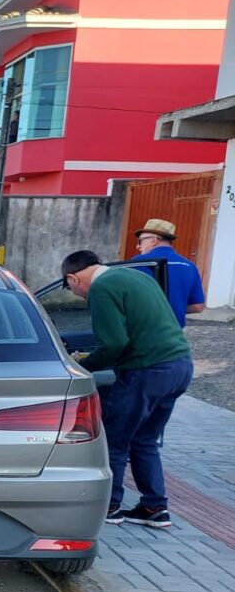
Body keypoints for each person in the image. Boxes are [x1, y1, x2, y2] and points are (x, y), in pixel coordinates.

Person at [61, 250, 193, 528]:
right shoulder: (136, 276)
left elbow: (114, 342)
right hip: (179, 366)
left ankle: (109, 506)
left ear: (73, 278)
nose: (75, 294)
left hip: (146, 370)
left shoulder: (102, 288)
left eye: (69, 287)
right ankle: (154, 507)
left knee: (116, 440)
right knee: (145, 440)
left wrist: (83, 366)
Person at [133, 218, 206, 328]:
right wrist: (174, 307)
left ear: (154, 240)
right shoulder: (189, 266)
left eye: (140, 241)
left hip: (143, 332)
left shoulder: (137, 263)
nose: (138, 246)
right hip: (175, 333)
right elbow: (197, 306)